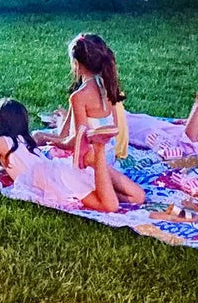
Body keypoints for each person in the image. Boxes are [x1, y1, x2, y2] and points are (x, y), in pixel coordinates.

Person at [38, 34, 145, 213]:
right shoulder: (108, 87)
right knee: (138, 197)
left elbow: (78, 142)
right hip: (108, 157)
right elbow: (72, 132)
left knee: (125, 201)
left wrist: (52, 141)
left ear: (76, 65)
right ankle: (105, 191)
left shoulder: (80, 97)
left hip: (90, 161)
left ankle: (101, 191)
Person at [0, 98, 96, 206]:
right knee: (98, 194)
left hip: (41, 182)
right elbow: (12, 162)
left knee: (98, 203)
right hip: (55, 171)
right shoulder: (25, 140)